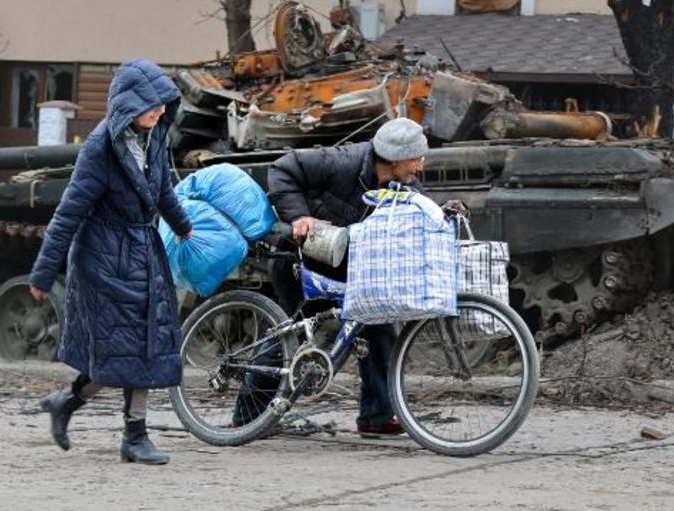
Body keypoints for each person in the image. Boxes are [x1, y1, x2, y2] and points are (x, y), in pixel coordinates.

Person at [30, 59, 192, 465]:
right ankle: (134, 436)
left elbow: (162, 190)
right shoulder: (101, 147)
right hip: (104, 258)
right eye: (150, 104)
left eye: (162, 104)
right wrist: (43, 273)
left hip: (143, 249)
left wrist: (183, 225)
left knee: (143, 345)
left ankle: (68, 401)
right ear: (129, 104)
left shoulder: (154, 135)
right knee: (131, 347)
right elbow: (68, 212)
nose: (158, 111)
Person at [237, 117, 430, 436]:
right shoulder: (343, 162)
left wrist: (448, 208)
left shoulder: (403, 182)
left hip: (350, 265)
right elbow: (284, 169)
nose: (420, 167)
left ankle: (377, 416)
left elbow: (423, 206)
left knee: (380, 330)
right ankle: (245, 417)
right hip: (303, 261)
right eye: (416, 159)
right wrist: (299, 215)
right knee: (294, 335)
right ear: (395, 157)